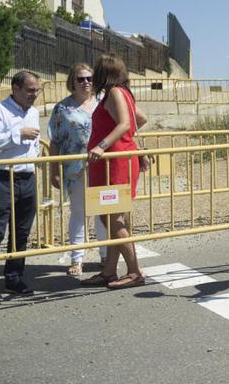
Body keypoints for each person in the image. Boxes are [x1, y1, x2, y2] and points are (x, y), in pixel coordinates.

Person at [80, 54, 149, 290]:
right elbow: (140, 118)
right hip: (113, 161)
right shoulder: (122, 93)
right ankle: (109, 271)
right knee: (111, 217)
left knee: (111, 218)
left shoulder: (116, 93)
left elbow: (125, 124)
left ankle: (134, 272)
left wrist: (102, 144)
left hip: (114, 163)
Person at [0, 71, 42, 305]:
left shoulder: (33, 112)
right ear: (15, 88)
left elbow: (34, 144)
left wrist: (36, 161)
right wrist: (18, 133)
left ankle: (14, 277)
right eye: (29, 90)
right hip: (2, 175)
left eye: (37, 90)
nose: (33, 95)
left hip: (27, 176)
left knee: (22, 231)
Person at [48, 63, 108, 276]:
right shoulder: (62, 109)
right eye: (80, 79)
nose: (86, 83)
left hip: (103, 166)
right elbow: (54, 141)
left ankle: (105, 255)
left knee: (103, 212)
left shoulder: (103, 103)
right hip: (75, 168)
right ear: (72, 82)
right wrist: (53, 169)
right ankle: (77, 259)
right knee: (79, 213)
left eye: (89, 78)